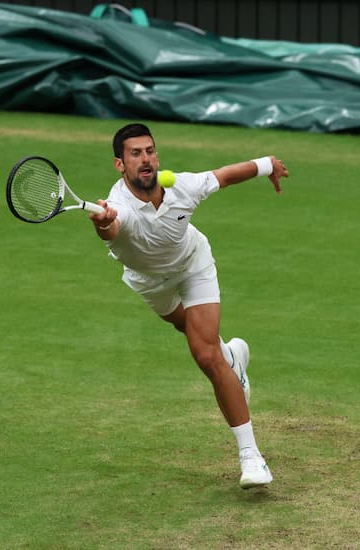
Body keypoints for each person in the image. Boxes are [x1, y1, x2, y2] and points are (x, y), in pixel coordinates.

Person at [89, 123, 289, 489]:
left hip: (193, 266)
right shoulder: (117, 207)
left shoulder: (180, 185)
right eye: (136, 154)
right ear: (120, 164)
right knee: (192, 330)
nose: (146, 159)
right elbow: (113, 228)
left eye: (150, 151)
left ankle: (251, 457)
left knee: (204, 353)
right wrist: (104, 224)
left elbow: (225, 176)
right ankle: (234, 360)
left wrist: (266, 164)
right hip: (150, 282)